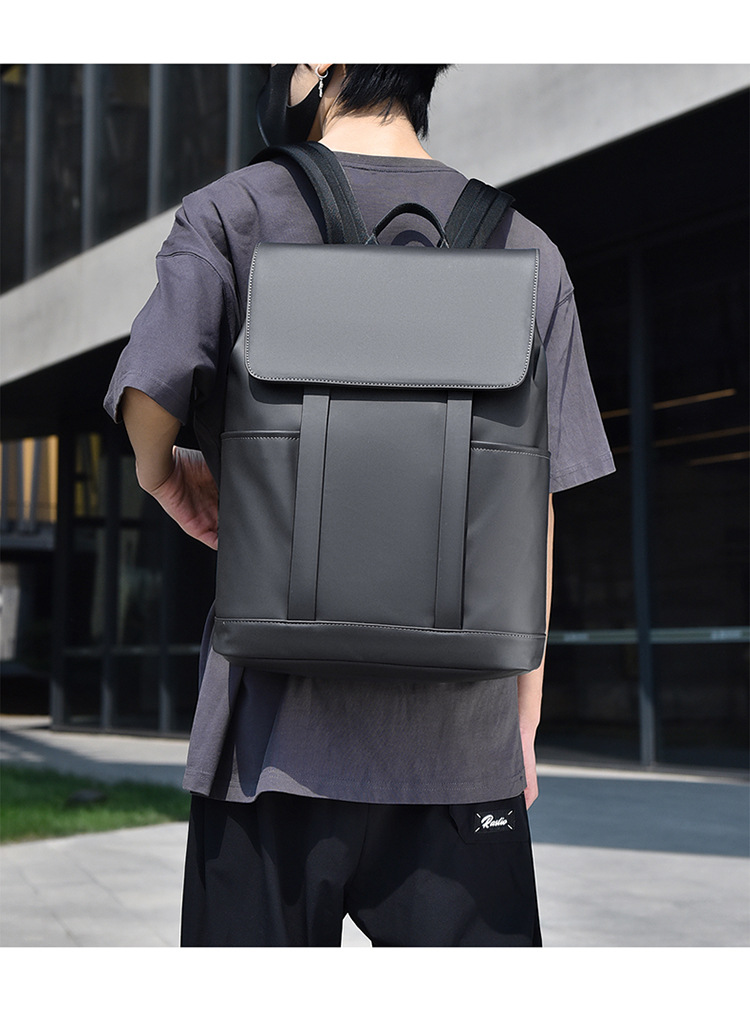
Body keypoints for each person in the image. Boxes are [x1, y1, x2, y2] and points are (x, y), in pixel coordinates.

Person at [105, 64, 615, 947]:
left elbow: (149, 392)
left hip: (267, 753)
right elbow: (533, 506)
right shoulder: (527, 247)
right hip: (459, 756)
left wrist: (164, 476)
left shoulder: (234, 212)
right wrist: (522, 719)